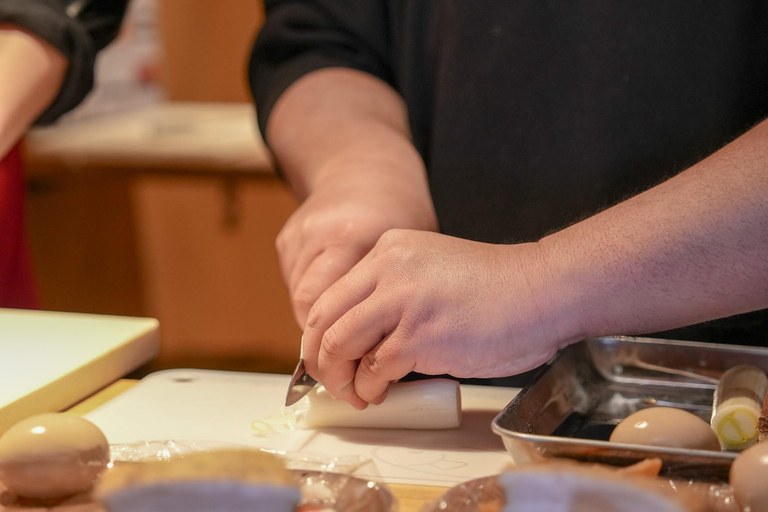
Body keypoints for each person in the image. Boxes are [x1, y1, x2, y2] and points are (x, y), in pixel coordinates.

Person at [249, 2, 768, 409]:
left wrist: (541, 284)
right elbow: (322, 37)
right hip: (458, 401)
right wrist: (363, 168)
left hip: (735, 394)